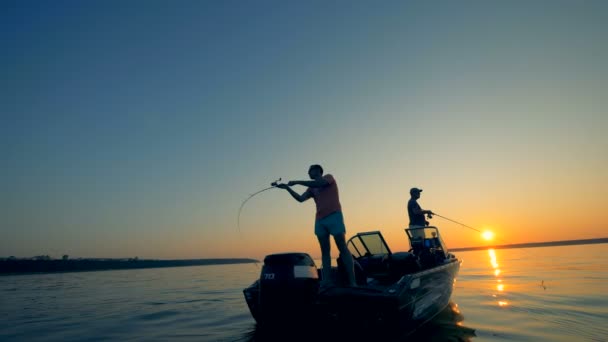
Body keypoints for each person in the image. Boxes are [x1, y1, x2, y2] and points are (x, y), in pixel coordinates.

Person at [275, 164, 357, 287]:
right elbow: (300, 199)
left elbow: (318, 184)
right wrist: (287, 188)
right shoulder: (310, 189)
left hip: (334, 215)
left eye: (310, 171)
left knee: (342, 247)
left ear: (317, 170)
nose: (308, 173)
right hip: (320, 220)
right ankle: (327, 281)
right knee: (325, 251)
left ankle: (352, 282)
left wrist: (297, 182)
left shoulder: (328, 177)